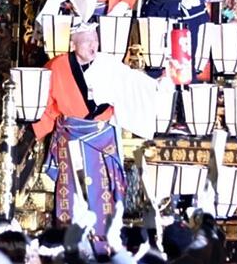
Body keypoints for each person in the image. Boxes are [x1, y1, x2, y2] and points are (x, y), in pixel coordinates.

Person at [33, 20, 173, 239]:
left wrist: (157, 84)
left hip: (102, 139)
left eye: (96, 40)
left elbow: (134, 84)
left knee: (104, 191)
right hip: (71, 139)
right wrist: (34, 133)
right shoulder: (57, 67)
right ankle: (71, 240)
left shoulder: (108, 64)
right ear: (73, 43)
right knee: (72, 191)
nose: (93, 45)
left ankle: (105, 241)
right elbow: (46, 105)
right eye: (87, 40)